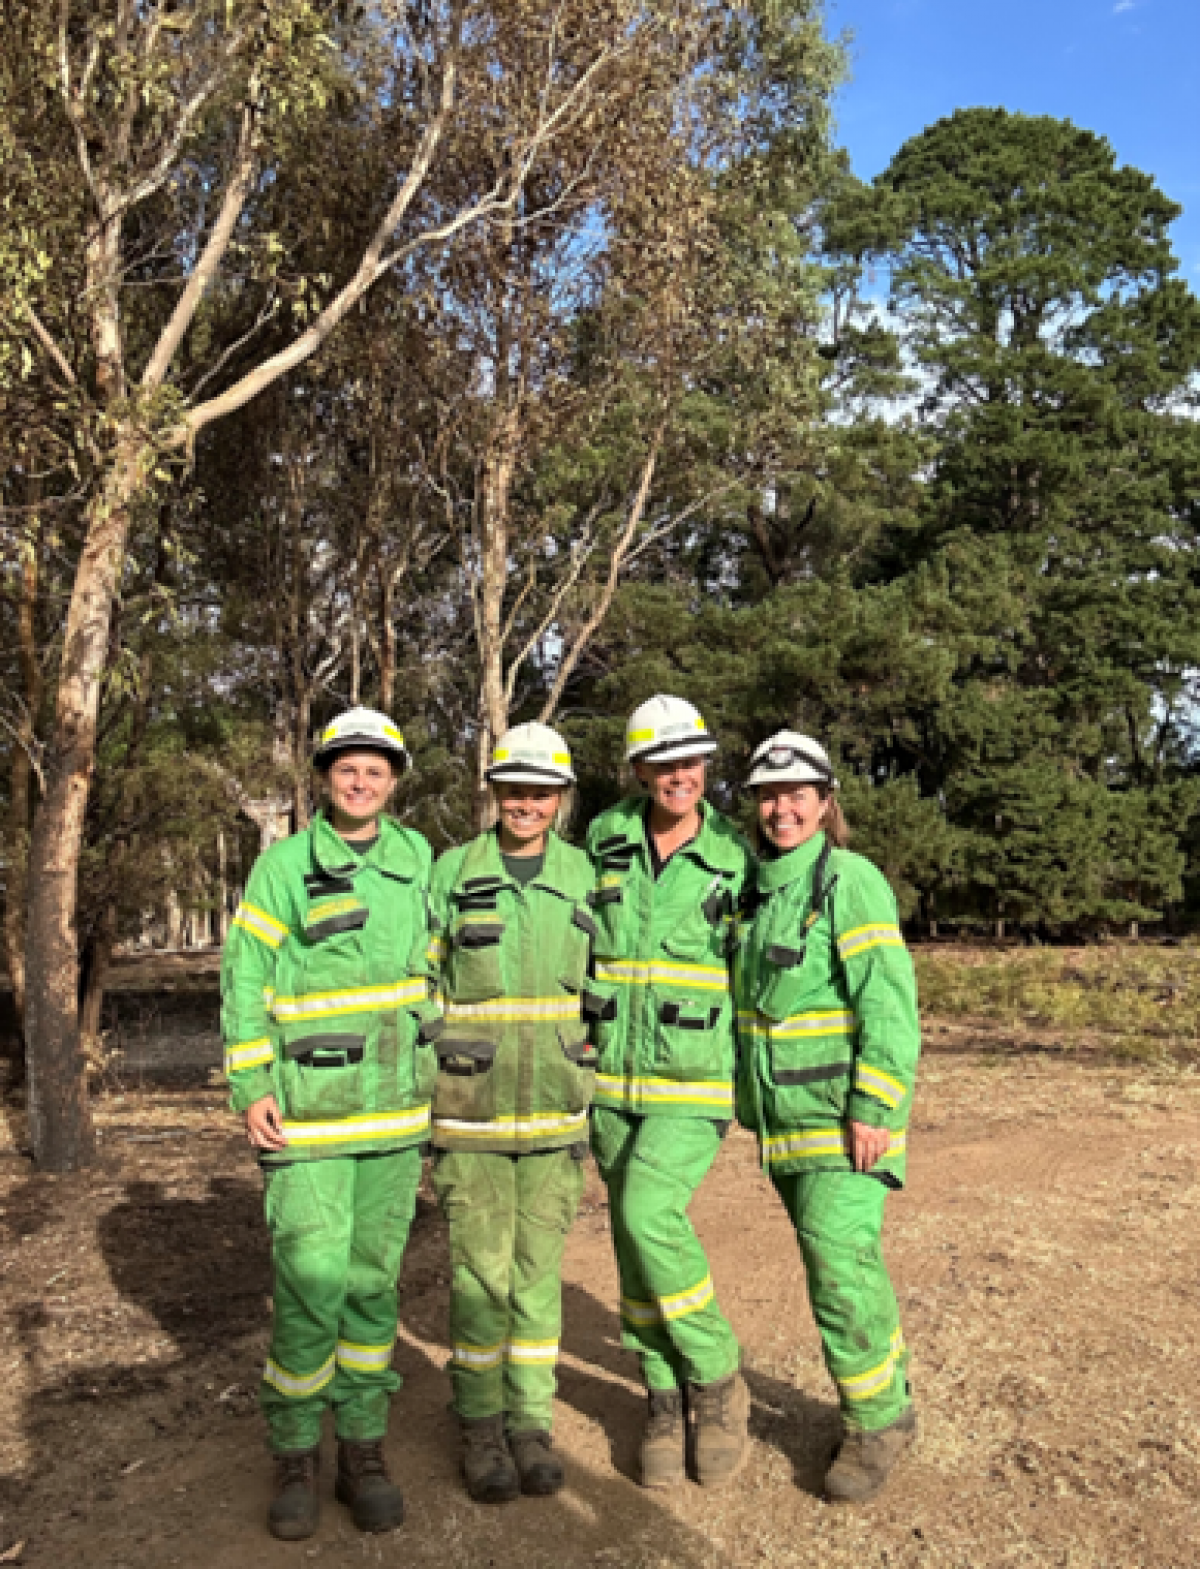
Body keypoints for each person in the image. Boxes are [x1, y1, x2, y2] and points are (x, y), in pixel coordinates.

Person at [221, 707, 441, 1540]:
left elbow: (441, 964)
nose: (362, 780)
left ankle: (362, 1448)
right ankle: (293, 1453)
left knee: (372, 1289)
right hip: (307, 1126)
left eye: (376, 768)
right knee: (310, 1291)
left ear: (393, 780)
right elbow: (245, 974)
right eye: (347, 767)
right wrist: (250, 1081)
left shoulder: (417, 859)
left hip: (392, 1121)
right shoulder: (282, 867)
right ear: (324, 777)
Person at [733, 730, 920, 1504]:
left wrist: (875, 1103)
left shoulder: (849, 879)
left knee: (840, 1264)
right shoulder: (755, 888)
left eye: (797, 794)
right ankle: (889, 1394)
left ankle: (879, 1418)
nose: (782, 808)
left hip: (845, 1124)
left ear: (825, 800)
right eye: (769, 795)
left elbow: (889, 998)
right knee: (838, 1265)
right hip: (784, 1127)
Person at [584, 695, 753, 1490]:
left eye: (691, 761)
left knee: (650, 1211)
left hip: (694, 1080)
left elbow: (757, 971)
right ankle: (660, 1389)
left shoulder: (734, 855)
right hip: (612, 1078)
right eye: (663, 763)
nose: (679, 775)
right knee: (628, 1233)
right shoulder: (604, 838)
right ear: (640, 770)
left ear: (705, 766)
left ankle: (717, 1376)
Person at [426, 723, 596, 1504]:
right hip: (474, 1121)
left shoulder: (586, 876)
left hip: (556, 1121)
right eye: (513, 788)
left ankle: (531, 1423)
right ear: (494, 791)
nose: (526, 802)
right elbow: (418, 984)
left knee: (537, 1280)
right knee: (478, 1278)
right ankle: (481, 1427)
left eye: (541, 790)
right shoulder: (453, 872)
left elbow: (608, 984)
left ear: (560, 798)